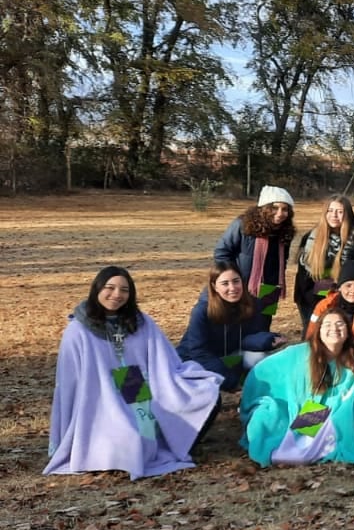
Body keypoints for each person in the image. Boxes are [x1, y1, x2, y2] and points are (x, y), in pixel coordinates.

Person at [46, 267, 223, 479]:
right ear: (97, 290)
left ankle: (179, 445)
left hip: (134, 382)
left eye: (124, 290)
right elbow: (69, 384)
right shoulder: (78, 329)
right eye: (110, 288)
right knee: (129, 436)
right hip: (100, 396)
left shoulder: (140, 321)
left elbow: (163, 357)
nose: (117, 295)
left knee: (202, 395)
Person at [239, 310, 354, 471]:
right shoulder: (300, 353)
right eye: (327, 325)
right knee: (299, 444)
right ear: (319, 331)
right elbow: (266, 369)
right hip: (311, 409)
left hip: (343, 405)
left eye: (339, 324)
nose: (334, 328)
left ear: (348, 331)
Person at [177, 263, 285, 392]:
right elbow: (198, 351)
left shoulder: (254, 304)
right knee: (207, 392)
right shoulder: (201, 311)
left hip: (229, 355)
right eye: (225, 283)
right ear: (214, 287)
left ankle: (256, 397)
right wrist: (230, 381)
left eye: (236, 281)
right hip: (196, 360)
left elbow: (247, 338)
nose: (232, 288)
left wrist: (268, 340)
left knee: (260, 358)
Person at [214, 185, 295, 327]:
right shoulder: (242, 225)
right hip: (243, 286)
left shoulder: (285, 232)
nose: (280, 213)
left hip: (270, 287)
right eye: (275, 208)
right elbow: (222, 252)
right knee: (239, 325)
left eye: (285, 209)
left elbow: (283, 259)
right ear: (264, 208)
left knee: (263, 325)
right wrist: (232, 280)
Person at [294, 195, 354, 330]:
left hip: (341, 296)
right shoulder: (311, 237)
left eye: (340, 212)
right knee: (311, 333)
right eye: (330, 210)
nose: (334, 215)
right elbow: (302, 275)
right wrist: (313, 301)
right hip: (309, 297)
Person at [307, 259, 354, 351]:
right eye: (348, 285)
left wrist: (344, 354)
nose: (353, 290)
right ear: (340, 288)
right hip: (326, 351)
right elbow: (312, 334)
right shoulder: (325, 305)